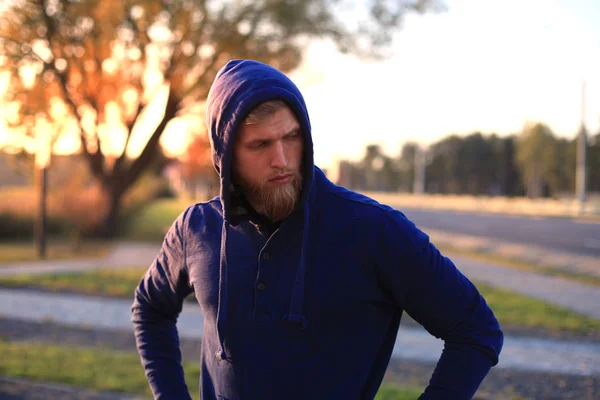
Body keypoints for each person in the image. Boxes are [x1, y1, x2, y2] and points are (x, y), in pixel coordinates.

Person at [131, 59, 503, 400]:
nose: (281, 160)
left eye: (291, 137)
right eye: (260, 144)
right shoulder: (197, 229)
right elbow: (150, 306)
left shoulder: (373, 230)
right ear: (224, 157)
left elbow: (475, 330)